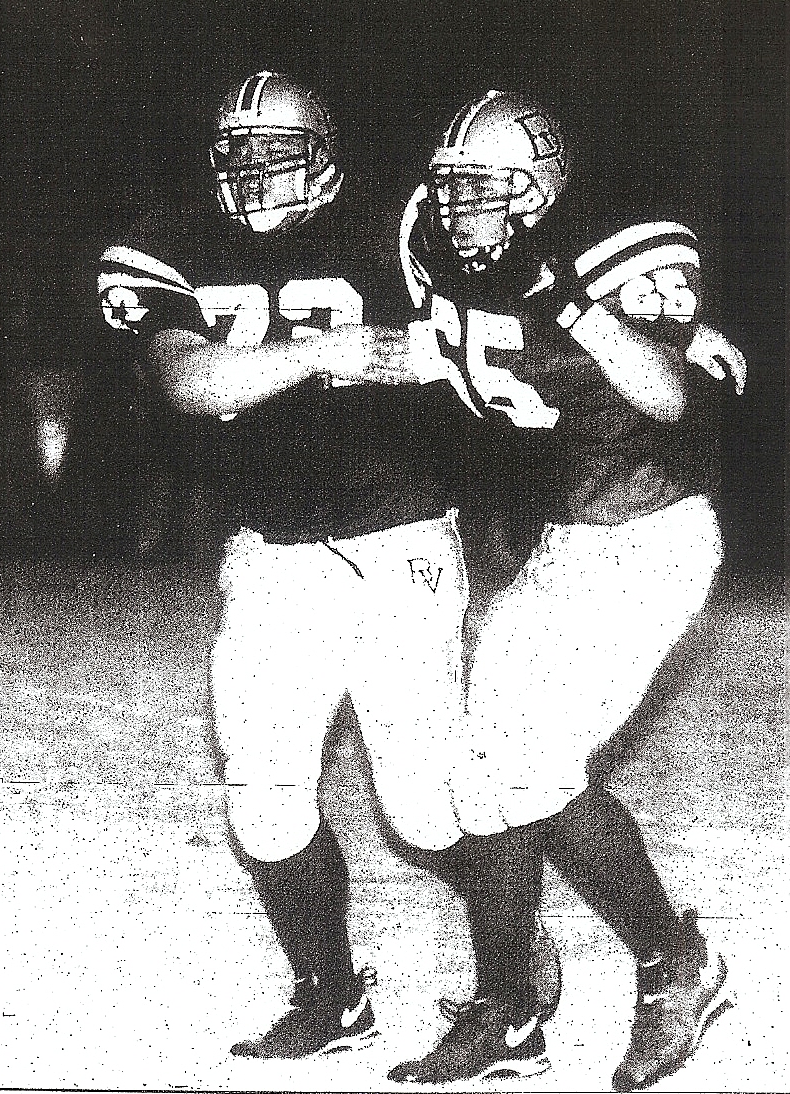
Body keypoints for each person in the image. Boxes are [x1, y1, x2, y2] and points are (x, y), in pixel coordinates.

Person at [97, 70, 561, 1061]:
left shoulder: (403, 230)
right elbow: (189, 377)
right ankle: (331, 995)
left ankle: (511, 975)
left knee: (422, 804)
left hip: (397, 540)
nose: (255, 170)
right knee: (261, 796)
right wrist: (329, 350)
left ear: (327, 151)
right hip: (268, 550)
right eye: (240, 152)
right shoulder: (172, 240)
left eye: (277, 149)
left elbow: (513, 313)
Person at [385, 90, 743, 1089]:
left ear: (540, 188)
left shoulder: (607, 249)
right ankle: (506, 1010)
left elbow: (668, 395)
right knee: (480, 764)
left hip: (648, 534)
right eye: (449, 186)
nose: (459, 207)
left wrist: (577, 301)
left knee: (532, 762)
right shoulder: (434, 242)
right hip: (562, 538)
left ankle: (677, 957)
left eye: (483, 187)